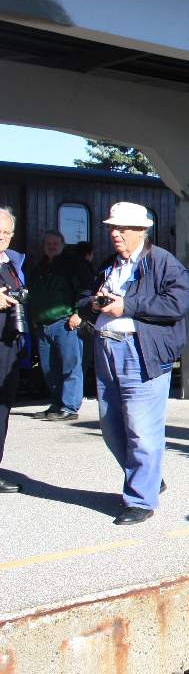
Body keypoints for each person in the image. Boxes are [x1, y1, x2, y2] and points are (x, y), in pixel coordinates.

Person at [77, 202, 189, 525]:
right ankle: (150, 478)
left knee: (142, 430)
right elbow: (84, 299)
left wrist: (127, 305)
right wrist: (94, 304)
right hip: (106, 350)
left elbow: (176, 303)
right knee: (112, 427)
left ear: (141, 231)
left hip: (140, 351)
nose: (115, 234)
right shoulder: (107, 265)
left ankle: (140, 500)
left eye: (122, 228)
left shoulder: (163, 263)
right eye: (112, 228)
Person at [24, 230, 86, 420]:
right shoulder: (39, 267)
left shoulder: (73, 264)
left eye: (55, 243)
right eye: (48, 244)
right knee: (49, 369)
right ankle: (56, 404)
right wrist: (33, 317)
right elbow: (32, 293)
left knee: (70, 366)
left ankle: (70, 407)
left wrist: (78, 313)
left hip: (65, 323)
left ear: (63, 244)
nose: (51, 246)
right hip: (43, 325)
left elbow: (84, 290)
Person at [0, 209, 30, 494]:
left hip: (7, 346)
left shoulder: (13, 263)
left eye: (7, 232)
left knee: (2, 409)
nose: (2, 237)